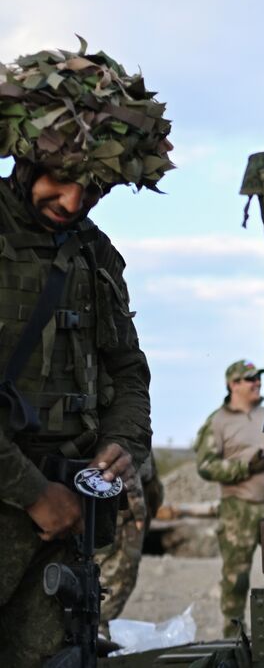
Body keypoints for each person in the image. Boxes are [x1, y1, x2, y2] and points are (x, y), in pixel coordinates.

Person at [0, 42, 173, 667]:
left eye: (91, 187)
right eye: (61, 179)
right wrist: (30, 492)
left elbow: (127, 367)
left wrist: (126, 443)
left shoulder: (94, 252)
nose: (73, 202)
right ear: (25, 159)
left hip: (67, 515)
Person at [194, 359, 264, 638]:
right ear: (233, 384)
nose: (256, 383)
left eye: (258, 378)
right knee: (236, 579)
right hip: (238, 509)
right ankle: (234, 639)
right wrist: (244, 467)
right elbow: (205, 466)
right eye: (249, 379)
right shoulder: (218, 421)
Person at [96, 454, 164, 635]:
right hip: (123, 512)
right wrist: (138, 508)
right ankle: (96, 631)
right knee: (119, 577)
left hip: (121, 508)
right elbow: (124, 461)